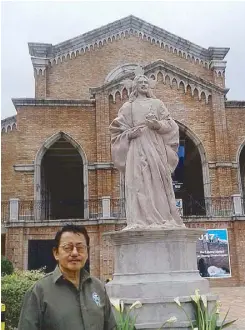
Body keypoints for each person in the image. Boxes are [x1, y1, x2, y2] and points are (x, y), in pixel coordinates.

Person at [109, 74, 182, 228]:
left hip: (155, 146)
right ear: (134, 86)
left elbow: (171, 124)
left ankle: (163, 217)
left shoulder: (157, 103)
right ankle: (140, 219)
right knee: (139, 180)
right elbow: (116, 130)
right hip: (137, 146)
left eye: (145, 82)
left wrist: (157, 124)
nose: (143, 84)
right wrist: (129, 134)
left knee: (158, 180)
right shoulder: (128, 107)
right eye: (140, 82)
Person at [18, 224, 116, 330]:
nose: (74, 253)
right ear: (56, 253)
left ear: (87, 253)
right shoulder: (39, 291)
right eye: (68, 248)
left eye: (80, 248)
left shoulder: (98, 287)